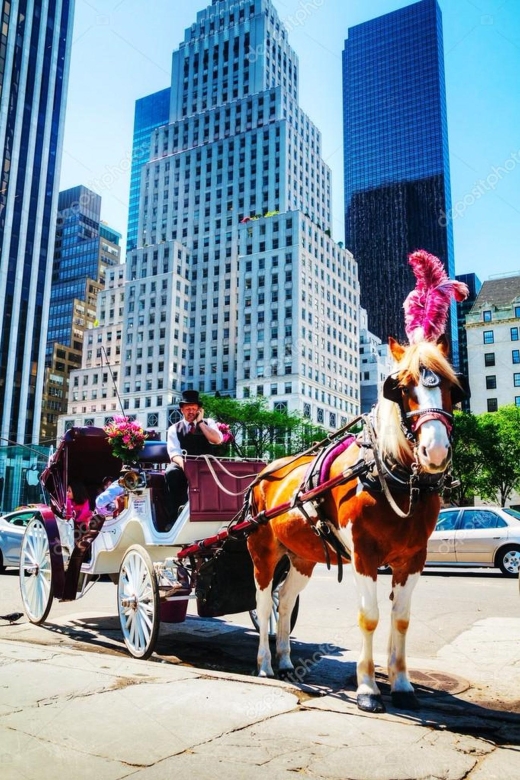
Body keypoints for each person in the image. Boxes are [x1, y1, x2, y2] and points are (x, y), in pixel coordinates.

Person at [165, 390, 223, 523]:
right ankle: (174, 518)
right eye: (188, 409)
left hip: (206, 463)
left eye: (194, 409)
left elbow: (218, 440)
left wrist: (201, 423)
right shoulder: (174, 428)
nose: (191, 412)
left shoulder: (209, 423)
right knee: (171, 472)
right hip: (184, 463)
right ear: (182, 410)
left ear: (199, 410)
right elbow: (174, 453)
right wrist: (185, 465)